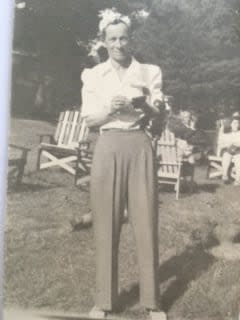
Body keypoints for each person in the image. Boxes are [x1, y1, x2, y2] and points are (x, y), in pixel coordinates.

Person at [81, 8, 167, 320]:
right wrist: (110, 109)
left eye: (123, 38)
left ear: (130, 40)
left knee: (146, 222)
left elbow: (159, 110)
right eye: (112, 39)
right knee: (106, 222)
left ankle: (153, 301)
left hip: (139, 145)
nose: (118, 44)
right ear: (104, 41)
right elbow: (90, 119)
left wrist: (141, 103)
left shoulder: (149, 71)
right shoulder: (93, 75)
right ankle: (104, 301)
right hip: (108, 145)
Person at [219, 112, 240, 185]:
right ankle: (225, 175)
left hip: (238, 151)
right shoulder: (227, 134)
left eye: (237, 123)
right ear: (230, 124)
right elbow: (221, 144)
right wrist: (227, 144)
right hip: (228, 151)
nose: (235, 125)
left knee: (238, 160)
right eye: (234, 123)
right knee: (226, 156)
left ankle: (238, 179)